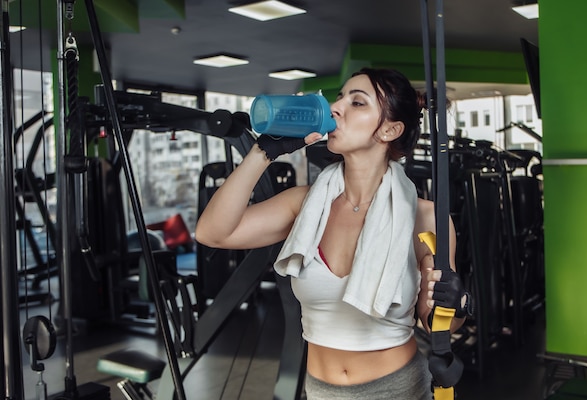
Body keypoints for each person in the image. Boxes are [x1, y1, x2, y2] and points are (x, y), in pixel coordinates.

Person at [195, 67, 469, 400]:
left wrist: (456, 303)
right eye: (339, 98)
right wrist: (263, 152)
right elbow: (212, 233)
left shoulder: (424, 215)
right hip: (321, 391)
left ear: (389, 129)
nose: (336, 108)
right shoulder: (305, 205)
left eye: (357, 103)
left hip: (400, 389)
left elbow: (438, 324)